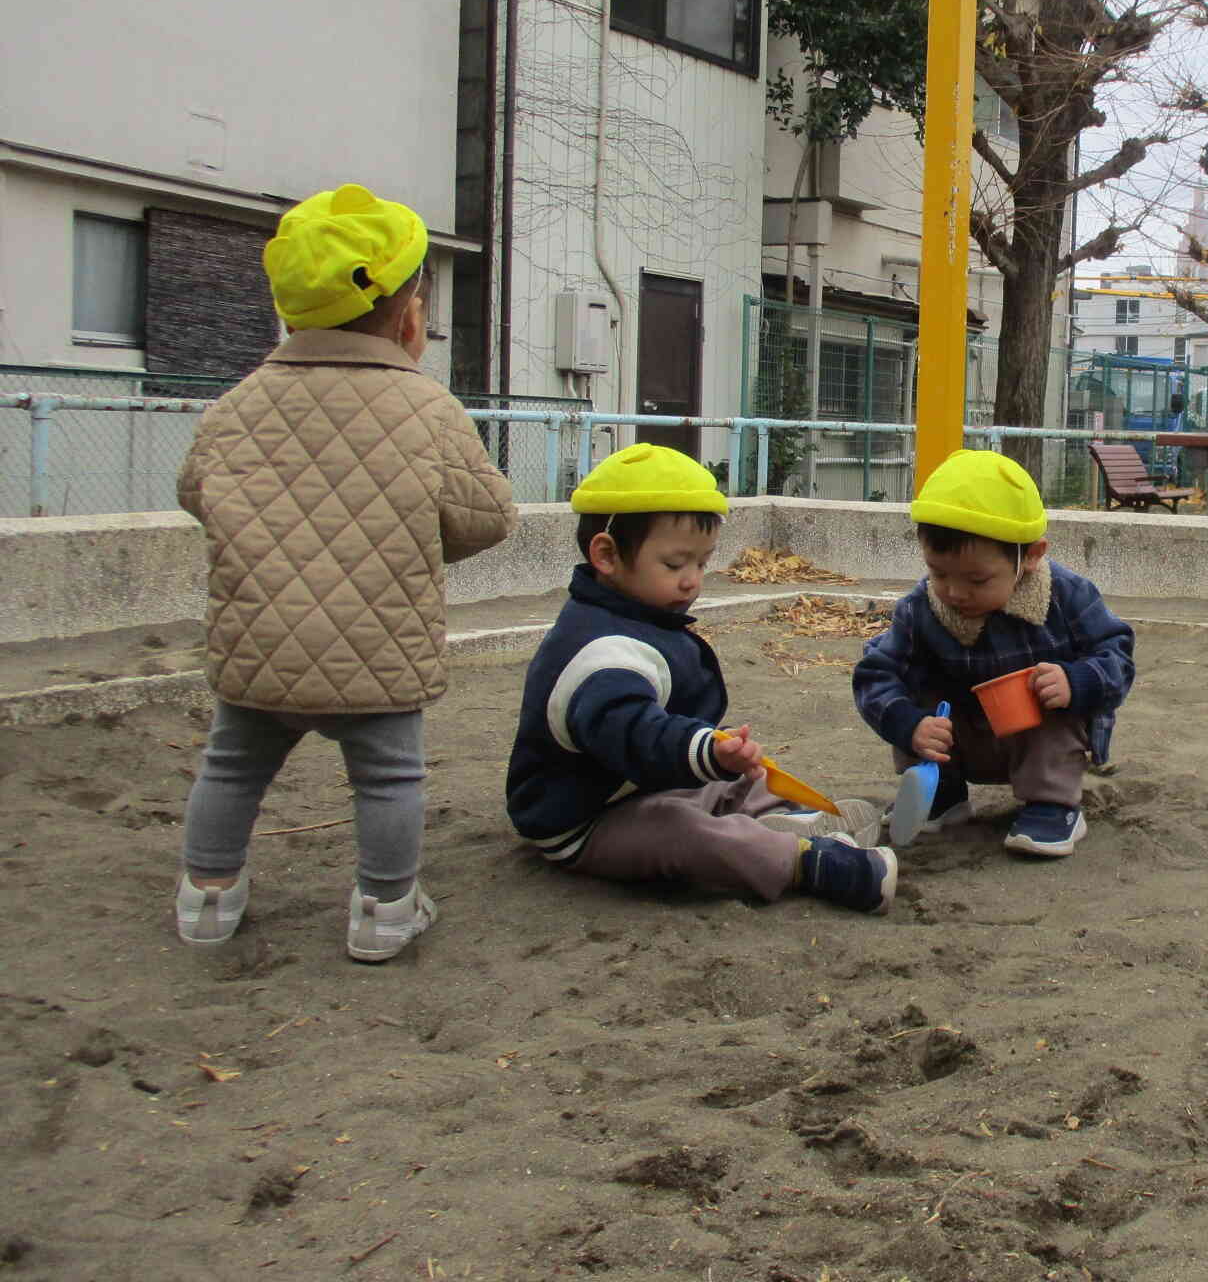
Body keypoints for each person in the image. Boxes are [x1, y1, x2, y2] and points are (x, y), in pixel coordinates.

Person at [174, 183, 517, 962]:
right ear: (410, 314)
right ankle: (384, 910)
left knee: (230, 768)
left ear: (287, 311)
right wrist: (407, 548)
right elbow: (488, 519)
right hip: (379, 640)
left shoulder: (235, 406)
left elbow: (200, 495)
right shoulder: (427, 410)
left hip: (261, 639)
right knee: (390, 779)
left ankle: (208, 897)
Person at [505, 444, 897, 912]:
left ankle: (795, 818)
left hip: (638, 783)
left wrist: (713, 753)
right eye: (675, 565)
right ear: (607, 556)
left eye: (702, 563)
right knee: (681, 830)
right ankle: (805, 861)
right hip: (583, 819)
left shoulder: (635, 615)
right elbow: (634, 733)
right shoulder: (599, 654)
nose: (692, 580)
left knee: (740, 778)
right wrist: (703, 747)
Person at [853, 448, 1135, 858]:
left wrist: (1078, 682)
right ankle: (943, 793)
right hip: (957, 739)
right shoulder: (921, 607)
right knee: (914, 687)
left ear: (1032, 557)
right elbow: (875, 673)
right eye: (938, 572)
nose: (954, 592)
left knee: (1048, 687)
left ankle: (1052, 804)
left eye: (978, 579)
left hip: (1037, 742)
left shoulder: (1067, 597)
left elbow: (1118, 655)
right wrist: (907, 723)